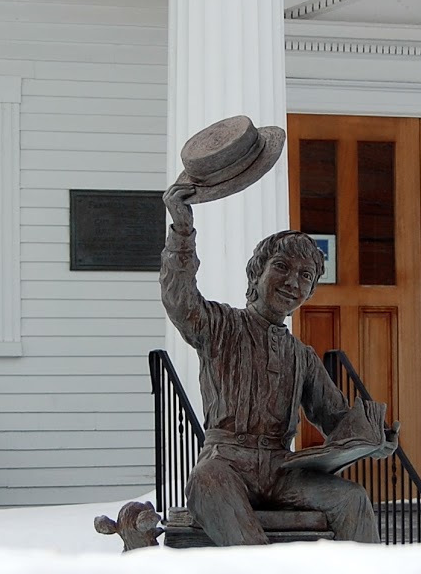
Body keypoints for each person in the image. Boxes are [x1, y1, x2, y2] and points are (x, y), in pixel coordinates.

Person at [161, 180, 383, 545]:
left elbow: (336, 419)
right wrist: (182, 231)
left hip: (282, 470)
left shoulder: (302, 356)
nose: (292, 282)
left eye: (305, 277)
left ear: (310, 293)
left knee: (351, 498)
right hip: (226, 462)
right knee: (207, 482)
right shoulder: (220, 325)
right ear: (257, 273)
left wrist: (373, 438)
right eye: (281, 267)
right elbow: (179, 298)